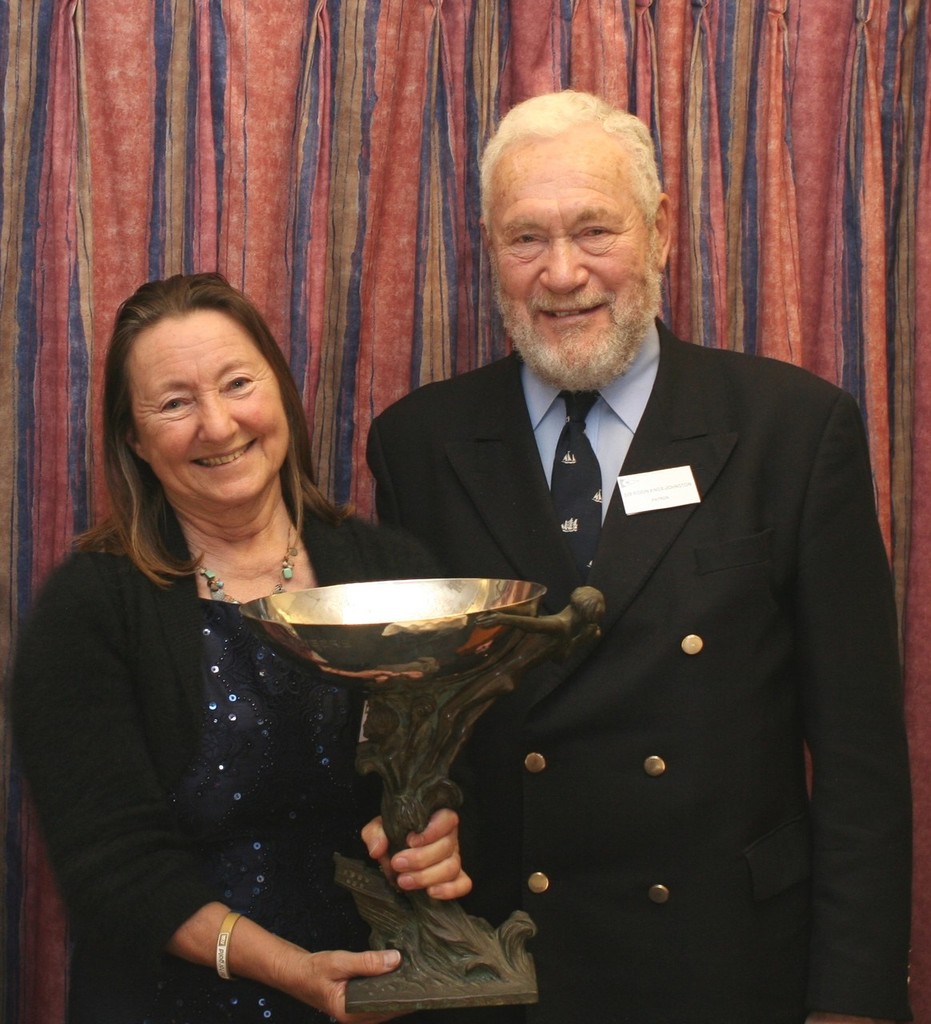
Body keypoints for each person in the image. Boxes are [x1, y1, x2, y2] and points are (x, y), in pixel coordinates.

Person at [366, 91, 912, 1024]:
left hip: (726, 966)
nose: (562, 272)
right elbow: (406, 714)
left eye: (594, 229)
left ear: (660, 232)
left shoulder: (791, 429)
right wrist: (416, 823)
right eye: (524, 238)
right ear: (488, 250)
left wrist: (851, 1002)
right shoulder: (418, 443)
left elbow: (860, 759)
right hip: (507, 971)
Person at [10, 272, 471, 1024]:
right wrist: (286, 969)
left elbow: (457, 772)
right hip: (174, 1002)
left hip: (385, 994)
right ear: (134, 437)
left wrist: (444, 835)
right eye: (175, 403)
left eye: (236, 384)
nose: (218, 426)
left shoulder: (393, 569)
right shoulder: (88, 611)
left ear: (282, 394)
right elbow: (114, 869)